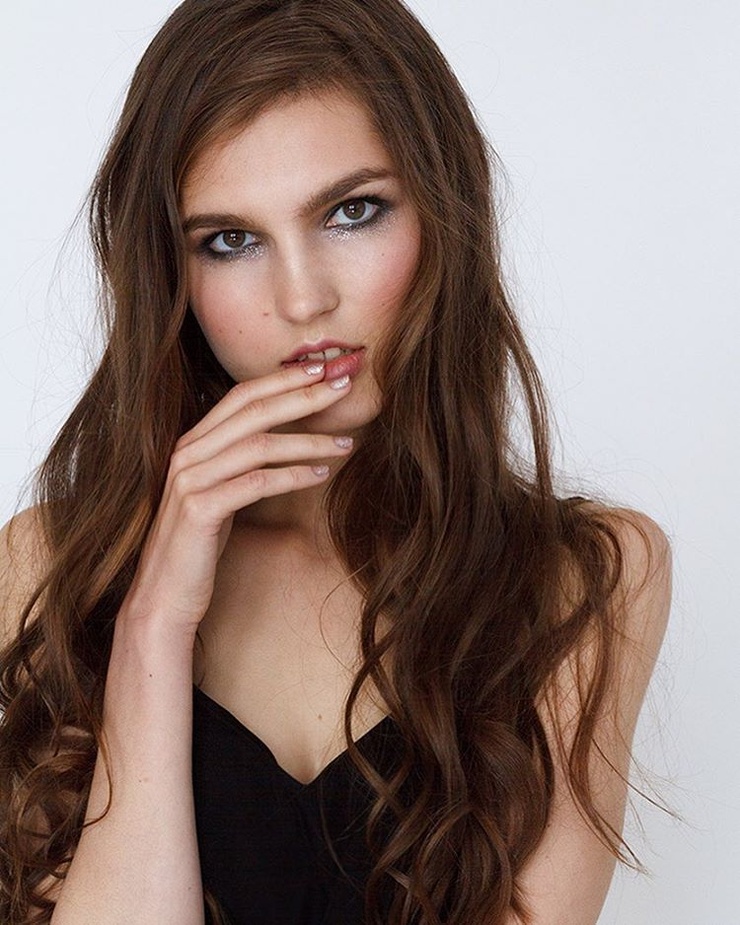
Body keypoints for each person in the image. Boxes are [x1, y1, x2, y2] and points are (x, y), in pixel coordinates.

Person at [0, 1, 672, 923]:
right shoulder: (52, 563)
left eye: (353, 212)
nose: (303, 298)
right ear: (172, 275)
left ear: (444, 212)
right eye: (230, 240)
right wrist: (154, 623)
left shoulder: (585, 577)